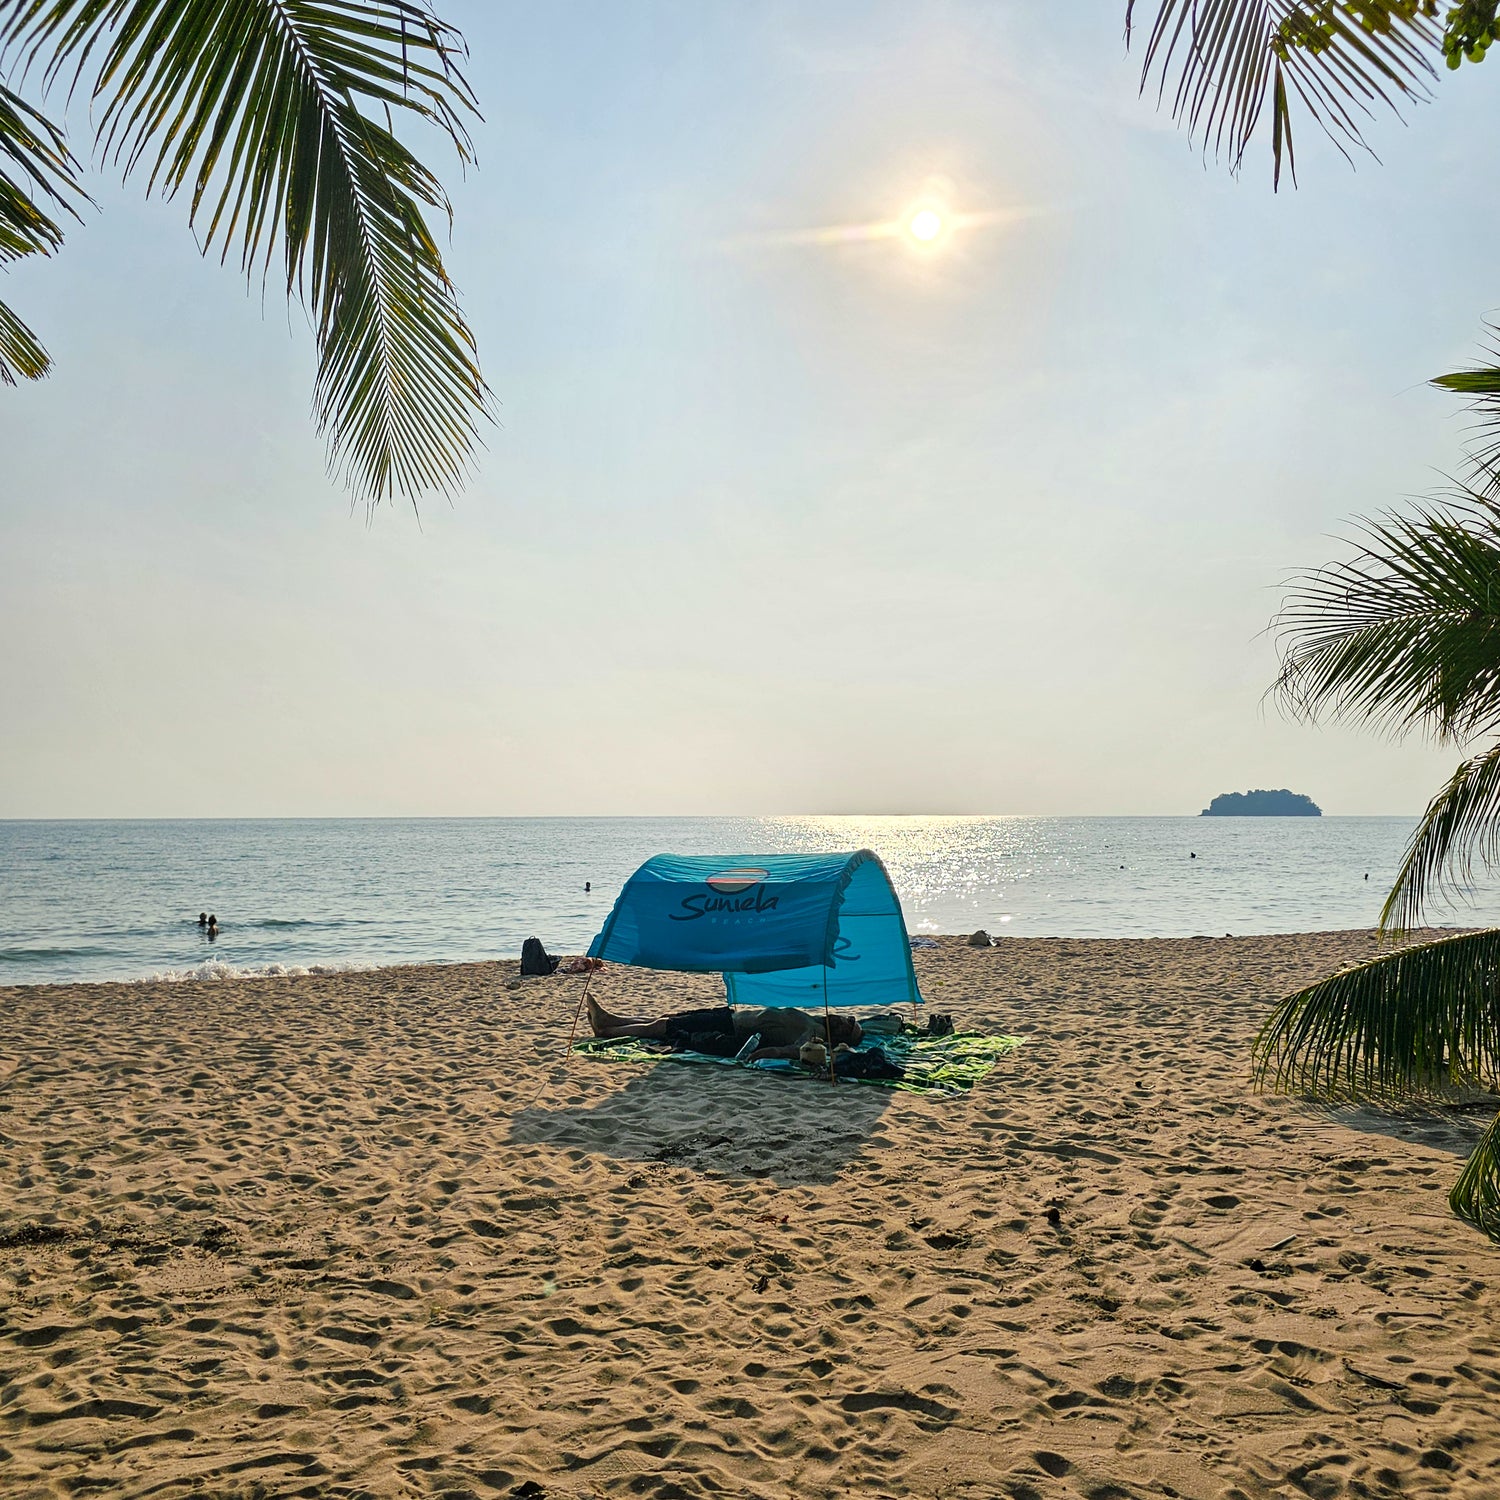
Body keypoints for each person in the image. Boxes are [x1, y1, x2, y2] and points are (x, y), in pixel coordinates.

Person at [586, 995, 860, 1061]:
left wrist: (762, 1054)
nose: (842, 1020)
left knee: (664, 1027)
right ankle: (614, 1020)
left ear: (840, 1035)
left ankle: (607, 1031)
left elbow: (789, 1050)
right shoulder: (815, 1020)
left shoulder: (814, 1036)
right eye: (848, 1018)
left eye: (847, 1026)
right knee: (667, 1019)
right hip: (732, 1016)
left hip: (731, 1027)